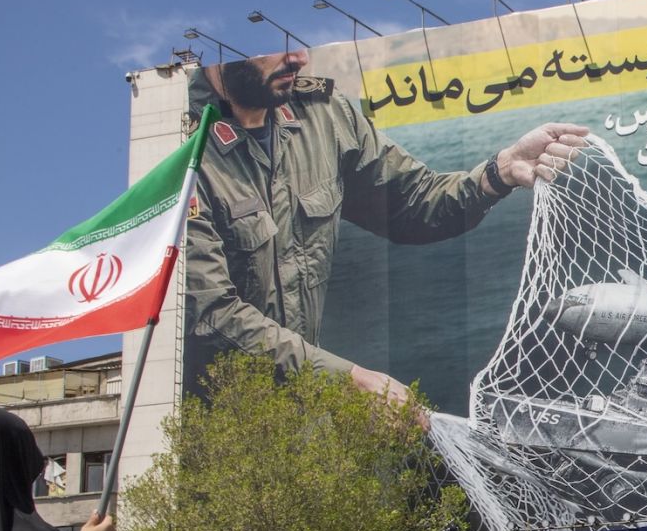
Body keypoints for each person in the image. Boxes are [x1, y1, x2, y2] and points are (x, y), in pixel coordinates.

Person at [183, 45, 589, 400]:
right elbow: (212, 315)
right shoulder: (176, 147)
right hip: (224, 432)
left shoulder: (324, 115)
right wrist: (346, 379)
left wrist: (497, 172)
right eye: (276, 45)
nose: (300, 59)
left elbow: (411, 203)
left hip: (311, 410)